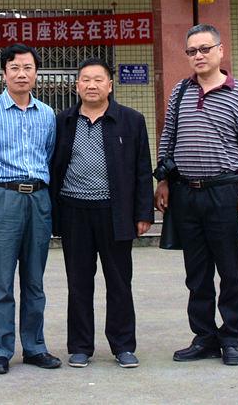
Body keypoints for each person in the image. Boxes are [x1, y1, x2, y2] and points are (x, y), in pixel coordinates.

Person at [154, 24, 238, 367]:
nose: (198, 56)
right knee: (197, 273)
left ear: (220, 50)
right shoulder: (180, 91)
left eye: (205, 49)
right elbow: (168, 138)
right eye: (192, 51)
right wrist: (163, 181)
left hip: (225, 193)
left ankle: (231, 339)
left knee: (230, 271)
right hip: (186, 194)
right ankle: (204, 337)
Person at [50, 58, 154, 369]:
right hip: (74, 211)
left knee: (119, 282)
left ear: (110, 85)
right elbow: (53, 167)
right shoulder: (63, 121)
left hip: (115, 212)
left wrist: (143, 213)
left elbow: (142, 170)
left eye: (98, 79)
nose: (92, 85)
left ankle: (123, 346)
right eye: (86, 79)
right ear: (76, 86)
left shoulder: (131, 120)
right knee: (78, 282)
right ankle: (80, 346)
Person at [0, 43, 61, 375]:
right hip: (2, 199)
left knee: (35, 279)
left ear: (36, 73)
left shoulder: (47, 114)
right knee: (1, 281)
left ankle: (35, 347)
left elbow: (49, 155)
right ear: (4, 73)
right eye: (15, 68)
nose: (22, 74)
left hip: (38, 199)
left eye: (28, 68)